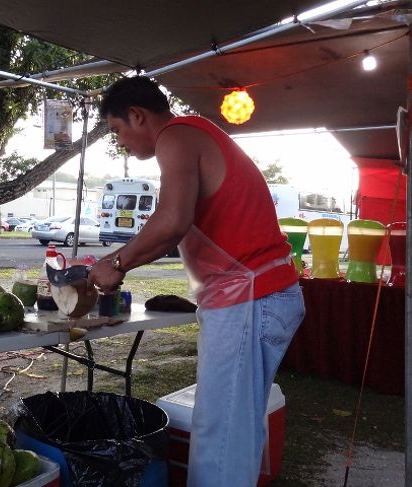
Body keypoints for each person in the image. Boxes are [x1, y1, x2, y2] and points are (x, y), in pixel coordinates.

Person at [88, 76, 305, 487]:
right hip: (258, 295)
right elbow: (170, 224)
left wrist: (116, 262)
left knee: (220, 433)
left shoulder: (177, 135)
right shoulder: (194, 134)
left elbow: (171, 222)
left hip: (251, 297)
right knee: (234, 428)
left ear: (137, 115)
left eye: (117, 130)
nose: (121, 143)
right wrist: (121, 263)